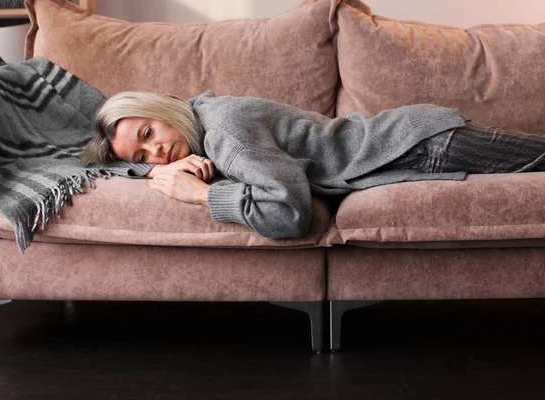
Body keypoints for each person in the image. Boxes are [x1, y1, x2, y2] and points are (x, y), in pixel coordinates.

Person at [81, 91, 545, 239]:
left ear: (161, 109)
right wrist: (155, 170)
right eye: (142, 158)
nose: (157, 153)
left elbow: (289, 214)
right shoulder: (202, 115)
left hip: (424, 144)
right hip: (414, 139)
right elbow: (120, 166)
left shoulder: (225, 138)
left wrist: (201, 194)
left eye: (149, 134)